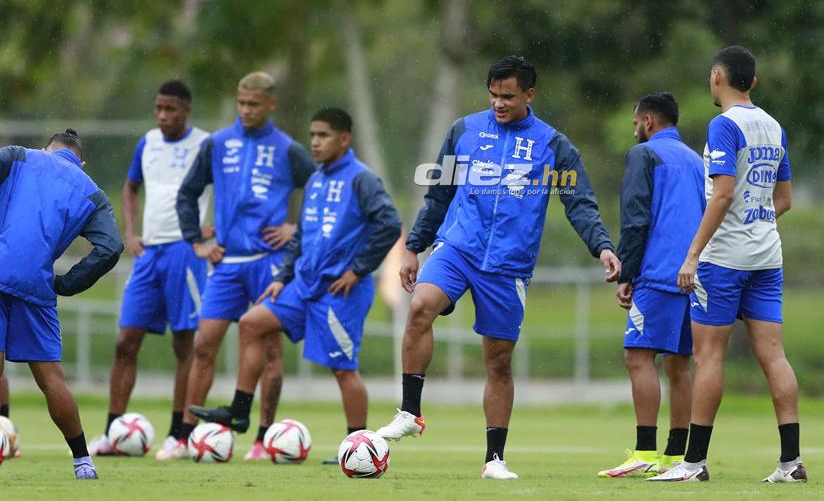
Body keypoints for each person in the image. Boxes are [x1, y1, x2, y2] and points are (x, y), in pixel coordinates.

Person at [375, 56, 621, 479]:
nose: (498, 103)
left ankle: (494, 460)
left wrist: (602, 246)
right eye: (493, 95)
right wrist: (413, 247)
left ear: (529, 94)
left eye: (508, 96)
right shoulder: (464, 131)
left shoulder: (553, 145)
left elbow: (579, 203)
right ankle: (410, 413)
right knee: (420, 308)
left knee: (498, 362)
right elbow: (438, 194)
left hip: (508, 266)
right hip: (458, 247)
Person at [190, 108, 401, 465]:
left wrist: (357, 270)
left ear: (344, 139)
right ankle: (239, 412)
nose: (315, 142)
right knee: (251, 323)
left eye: (323, 136)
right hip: (302, 286)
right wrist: (281, 278)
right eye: (313, 135)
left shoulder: (361, 179)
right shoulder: (316, 180)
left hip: (339, 290)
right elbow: (301, 236)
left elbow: (390, 224)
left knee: (343, 369)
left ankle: (357, 447)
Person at [650, 46, 804, 483]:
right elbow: (784, 199)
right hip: (767, 257)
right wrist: (756, 224)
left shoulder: (723, 125)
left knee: (708, 356)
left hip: (723, 260)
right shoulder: (774, 126)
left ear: (717, 77)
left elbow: (722, 195)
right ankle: (791, 463)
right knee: (774, 355)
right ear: (753, 82)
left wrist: (693, 254)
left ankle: (693, 463)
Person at [172, 72, 316, 461]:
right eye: (241, 103)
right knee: (204, 345)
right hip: (227, 263)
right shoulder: (217, 143)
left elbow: (321, 189)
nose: (246, 110)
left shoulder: (287, 149)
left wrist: (295, 228)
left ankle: (263, 439)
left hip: (270, 263)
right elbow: (187, 193)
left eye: (253, 104)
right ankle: (186, 437)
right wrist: (197, 242)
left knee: (270, 351)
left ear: (271, 104)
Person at [88, 80, 213, 459]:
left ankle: (179, 435)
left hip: (186, 252)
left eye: (170, 108)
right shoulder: (148, 142)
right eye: (158, 108)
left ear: (186, 109)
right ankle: (113, 432)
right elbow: (130, 188)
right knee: (125, 341)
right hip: (149, 254)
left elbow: (229, 191)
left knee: (184, 344)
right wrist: (131, 232)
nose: (162, 115)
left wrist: (216, 229)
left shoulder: (206, 144)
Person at [0, 129, 123, 479]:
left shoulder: (19, 156)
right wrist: (66, 284)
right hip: (36, 284)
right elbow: (111, 247)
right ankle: (82, 461)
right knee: (52, 380)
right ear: (81, 162)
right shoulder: (91, 192)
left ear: (47, 149)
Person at [598, 92, 704, 478]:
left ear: (648, 121)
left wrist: (627, 274)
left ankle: (644, 450)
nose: (634, 131)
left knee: (638, 356)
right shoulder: (696, 160)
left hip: (658, 274)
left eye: (635, 124)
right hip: (694, 274)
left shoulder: (643, 155)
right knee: (679, 364)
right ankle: (676, 456)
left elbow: (636, 217)